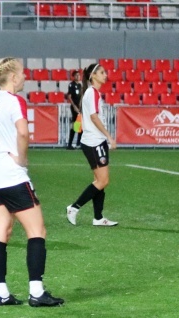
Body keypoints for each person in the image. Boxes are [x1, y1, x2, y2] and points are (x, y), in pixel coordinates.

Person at [0, 57, 64, 308]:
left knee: (1, 233)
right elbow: (23, 132)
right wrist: (22, 159)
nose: (25, 77)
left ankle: (1, 293)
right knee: (37, 232)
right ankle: (36, 291)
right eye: (23, 73)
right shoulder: (15, 101)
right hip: (11, 176)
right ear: (13, 77)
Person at [65, 63, 118, 227]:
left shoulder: (90, 93)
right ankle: (74, 207)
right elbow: (94, 117)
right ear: (93, 76)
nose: (105, 74)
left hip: (92, 141)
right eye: (102, 72)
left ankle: (98, 217)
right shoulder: (92, 93)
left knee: (99, 180)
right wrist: (109, 136)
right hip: (95, 141)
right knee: (103, 181)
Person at [65, 70, 83, 150]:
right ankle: (70, 143)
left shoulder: (80, 85)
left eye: (79, 75)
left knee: (80, 125)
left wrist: (80, 104)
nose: (78, 77)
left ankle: (79, 143)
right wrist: (74, 106)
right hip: (74, 107)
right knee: (75, 124)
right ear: (73, 76)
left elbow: (81, 95)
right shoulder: (71, 85)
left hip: (79, 108)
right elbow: (69, 96)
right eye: (76, 75)